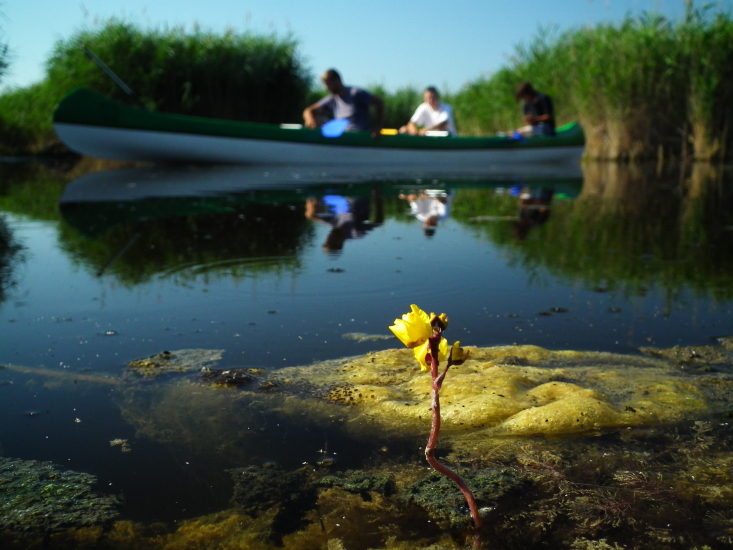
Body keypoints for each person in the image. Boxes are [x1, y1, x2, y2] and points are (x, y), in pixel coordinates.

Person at [303, 69, 384, 139]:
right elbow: (309, 110)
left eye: (328, 84)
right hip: (340, 136)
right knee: (319, 119)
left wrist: (378, 127)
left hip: (357, 136)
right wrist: (310, 119)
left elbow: (379, 102)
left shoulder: (355, 93)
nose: (326, 88)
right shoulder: (332, 98)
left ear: (337, 80)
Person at [304, 188, 384, 254]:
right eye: (330, 240)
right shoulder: (356, 232)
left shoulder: (334, 225)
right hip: (359, 194)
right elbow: (378, 222)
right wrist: (378, 199)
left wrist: (311, 211)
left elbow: (311, 216)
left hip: (341, 194)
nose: (328, 237)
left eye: (327, 240)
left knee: (313, 210)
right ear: (339, 242)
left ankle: (312, 192)